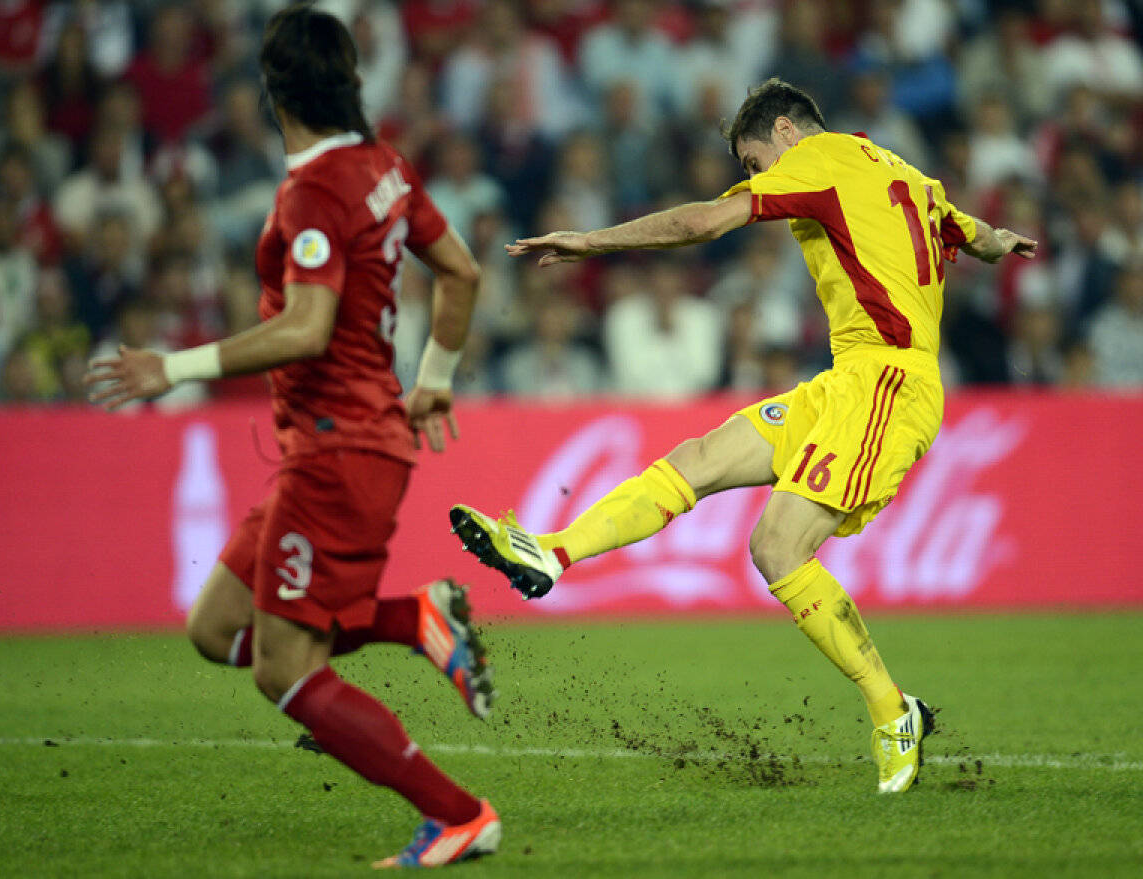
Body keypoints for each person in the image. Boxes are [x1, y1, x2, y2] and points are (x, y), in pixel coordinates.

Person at [451, 78, 1037, 794]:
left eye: (757, 160)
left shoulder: (815, 164)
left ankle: (894, 710)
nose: (760, 178)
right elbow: (964, 228)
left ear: (788, 132)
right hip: (847, 379)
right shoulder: (902, 172)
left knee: (775, 546)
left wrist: (592, 242)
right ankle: (549, 551)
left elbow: (702, 224)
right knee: (698, 459)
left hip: (887, 383)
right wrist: (997, 240)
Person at [85, 4, 500, 868]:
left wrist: (178, 364)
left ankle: (459, 814)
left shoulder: (312, 190)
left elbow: (308, 325)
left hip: (339, 447)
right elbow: (460, 270)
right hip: (341, 442)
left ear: (272, 92)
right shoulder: (383, 165)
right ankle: (415, 618)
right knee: (218, 627)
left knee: (283, 668)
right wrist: (435, 379)